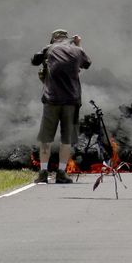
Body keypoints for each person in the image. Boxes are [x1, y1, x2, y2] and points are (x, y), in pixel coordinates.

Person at [31, 29, 91, 184]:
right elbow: (87, 63)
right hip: (71, 101)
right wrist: (79, 44)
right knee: (66, 140)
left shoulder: (49, 48)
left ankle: (43, 172)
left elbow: (34, 60)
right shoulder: (77, 50)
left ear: (54, 39)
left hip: (51, 100)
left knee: (46, 138)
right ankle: (61, 173)